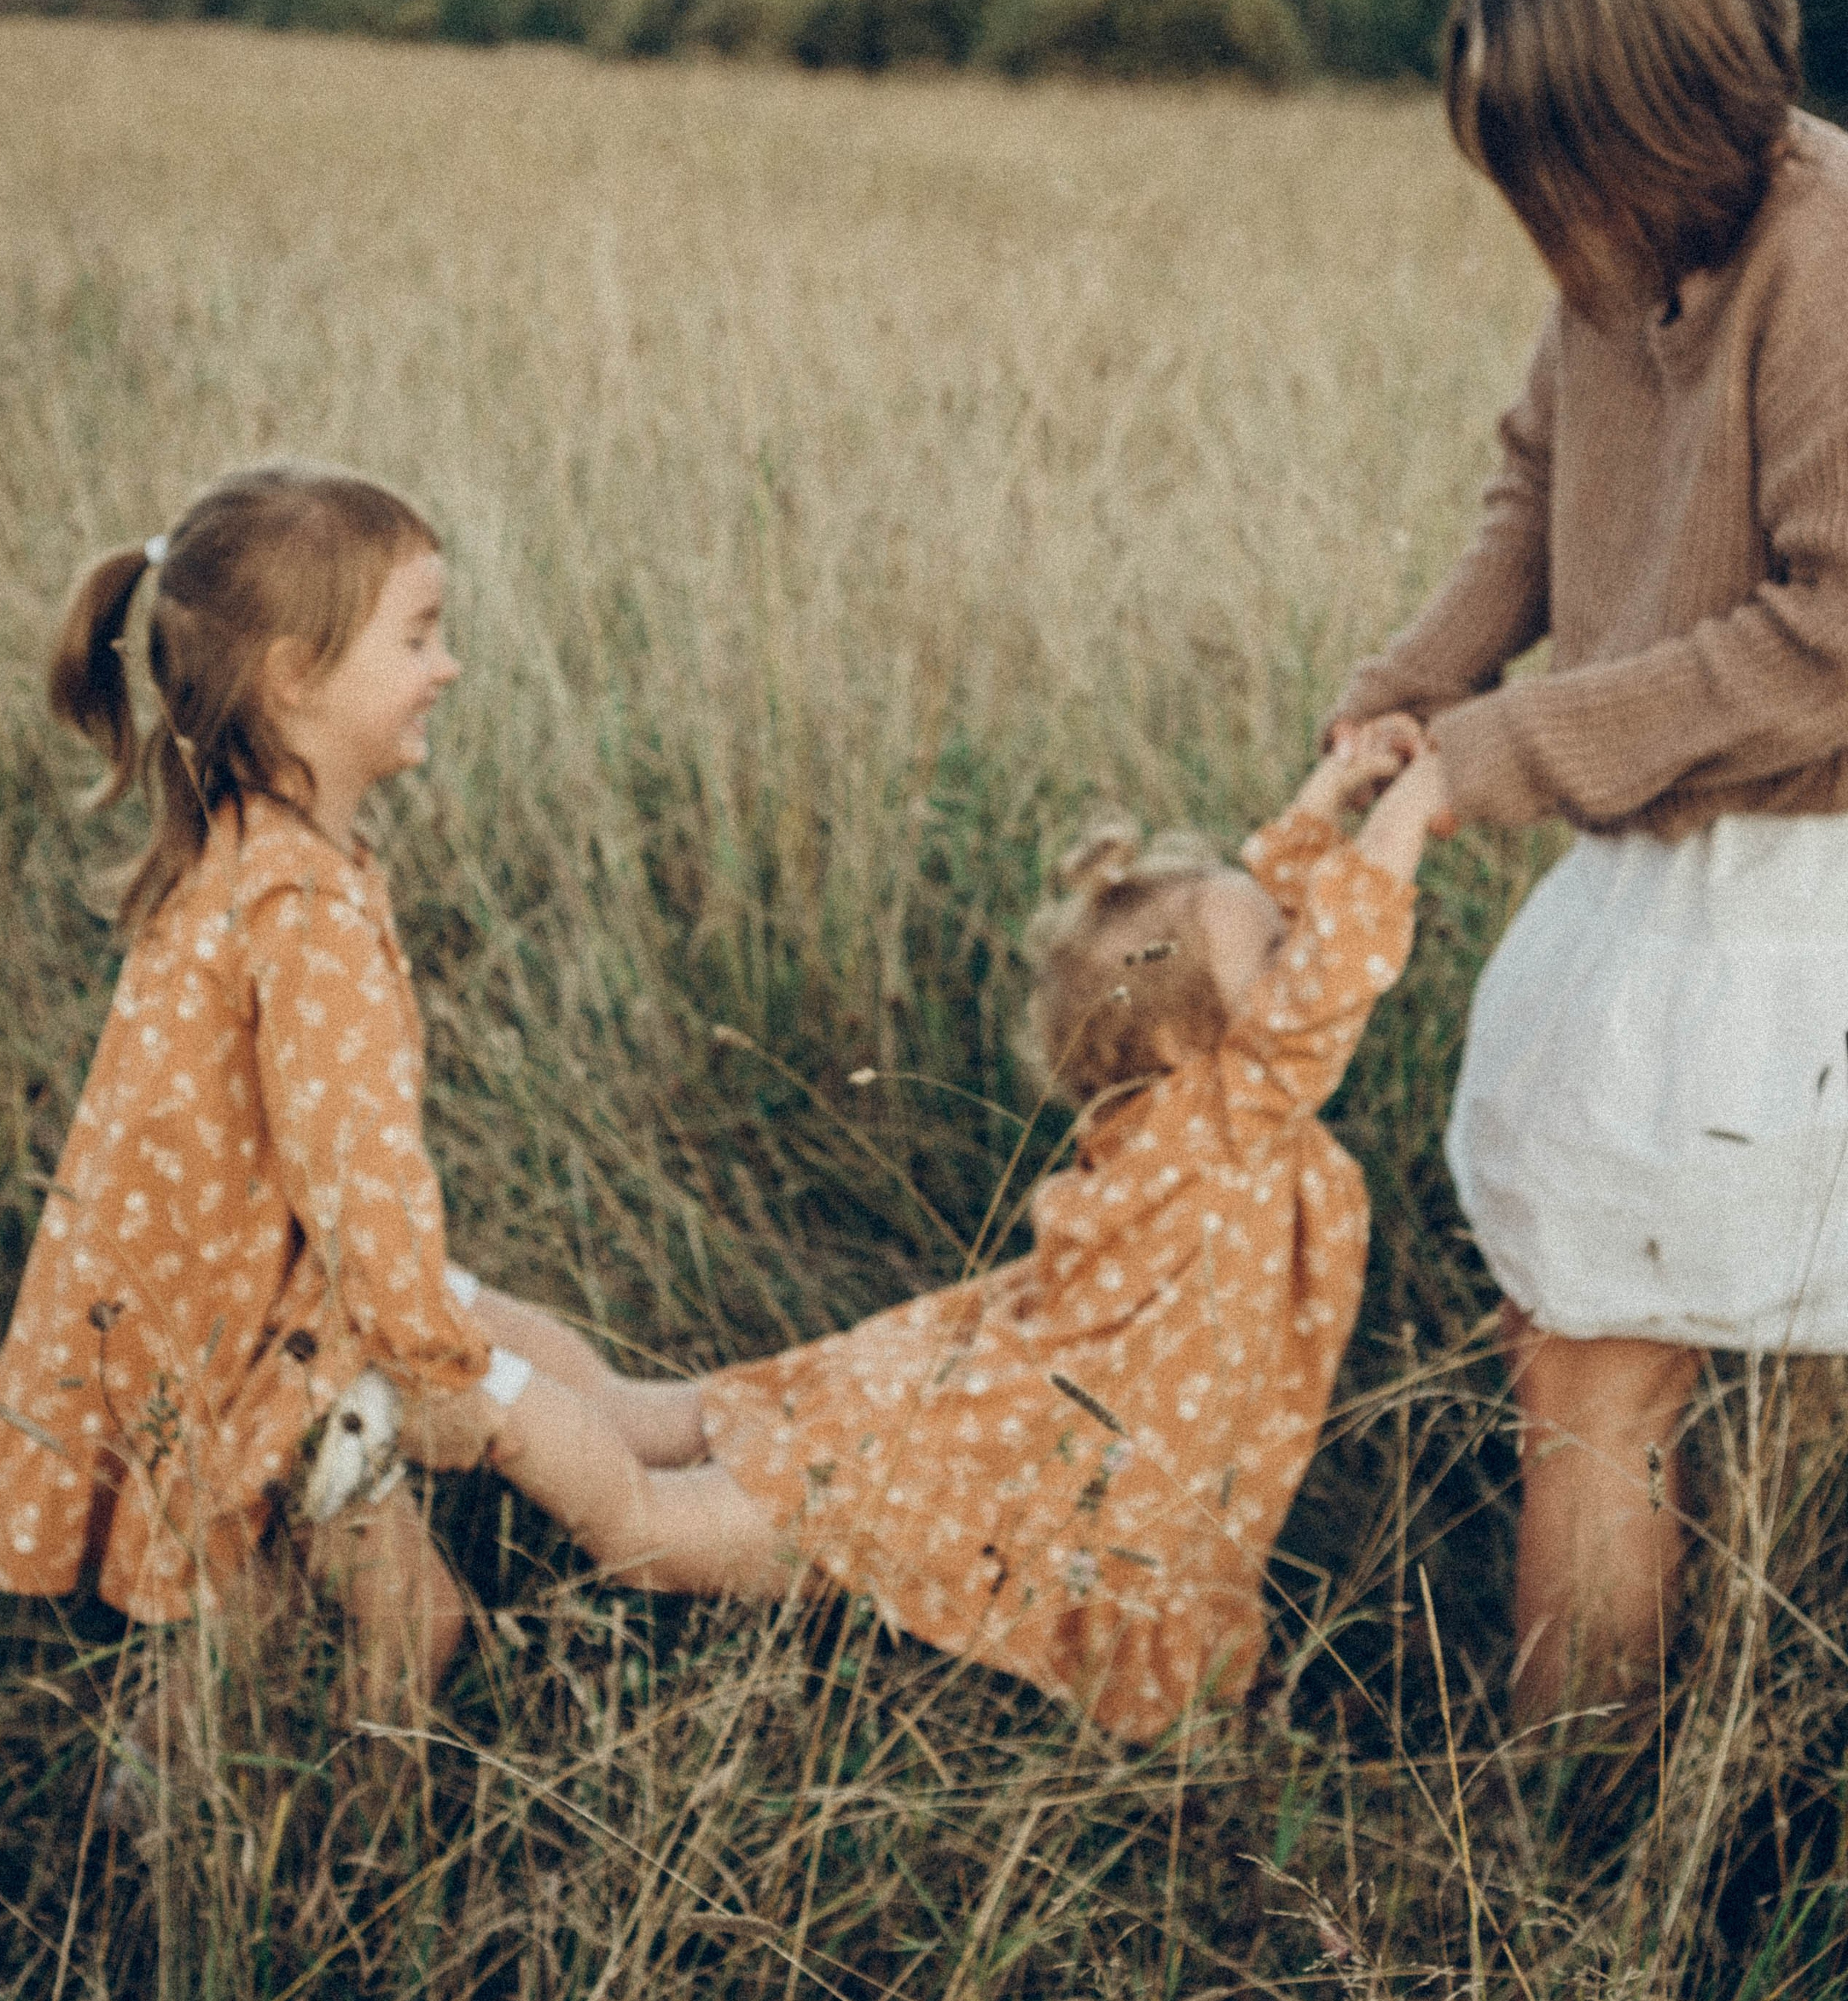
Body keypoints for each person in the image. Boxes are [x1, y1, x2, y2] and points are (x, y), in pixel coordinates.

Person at [386, 724, 1448, 1744]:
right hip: (986, 1469)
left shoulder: (1189, 1112)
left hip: (963, 1403)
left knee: (638, 1414)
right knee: (645, 1532)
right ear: (1181, 1040)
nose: (1301, 946)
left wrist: (1331, 795)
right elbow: (1330, 977)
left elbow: (1283, 935)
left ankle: (423, 1293)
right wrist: (1417, 799)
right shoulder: (1230, 1116)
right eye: (1275, 951)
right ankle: (452, 1390)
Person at [1330, 0, 1848, 1728]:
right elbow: (1531, 504)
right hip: (1671, 863)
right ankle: (1639, 1769)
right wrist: (1405, 695)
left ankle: (1574, 1808)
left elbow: (1831, 636)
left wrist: (1496, 754)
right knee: (1594, 1334)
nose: (1543, 214)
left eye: (1559, 162)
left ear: (1664, 116)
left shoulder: (1829, 256)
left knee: (1595, 1354)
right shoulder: (1617, 261)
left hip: (1800, 889)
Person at [0, 462, 560, 1721]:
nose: (446, 667)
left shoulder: (245, 844)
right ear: (294, 678)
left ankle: (169, 1797)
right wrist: (431, 1366)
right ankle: (364, 1829)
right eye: (417, 637)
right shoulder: (305, 910)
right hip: (268, 1348)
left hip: (203, 1318)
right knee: (419, 1626)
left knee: (247, 1623)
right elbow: (357, 1173)